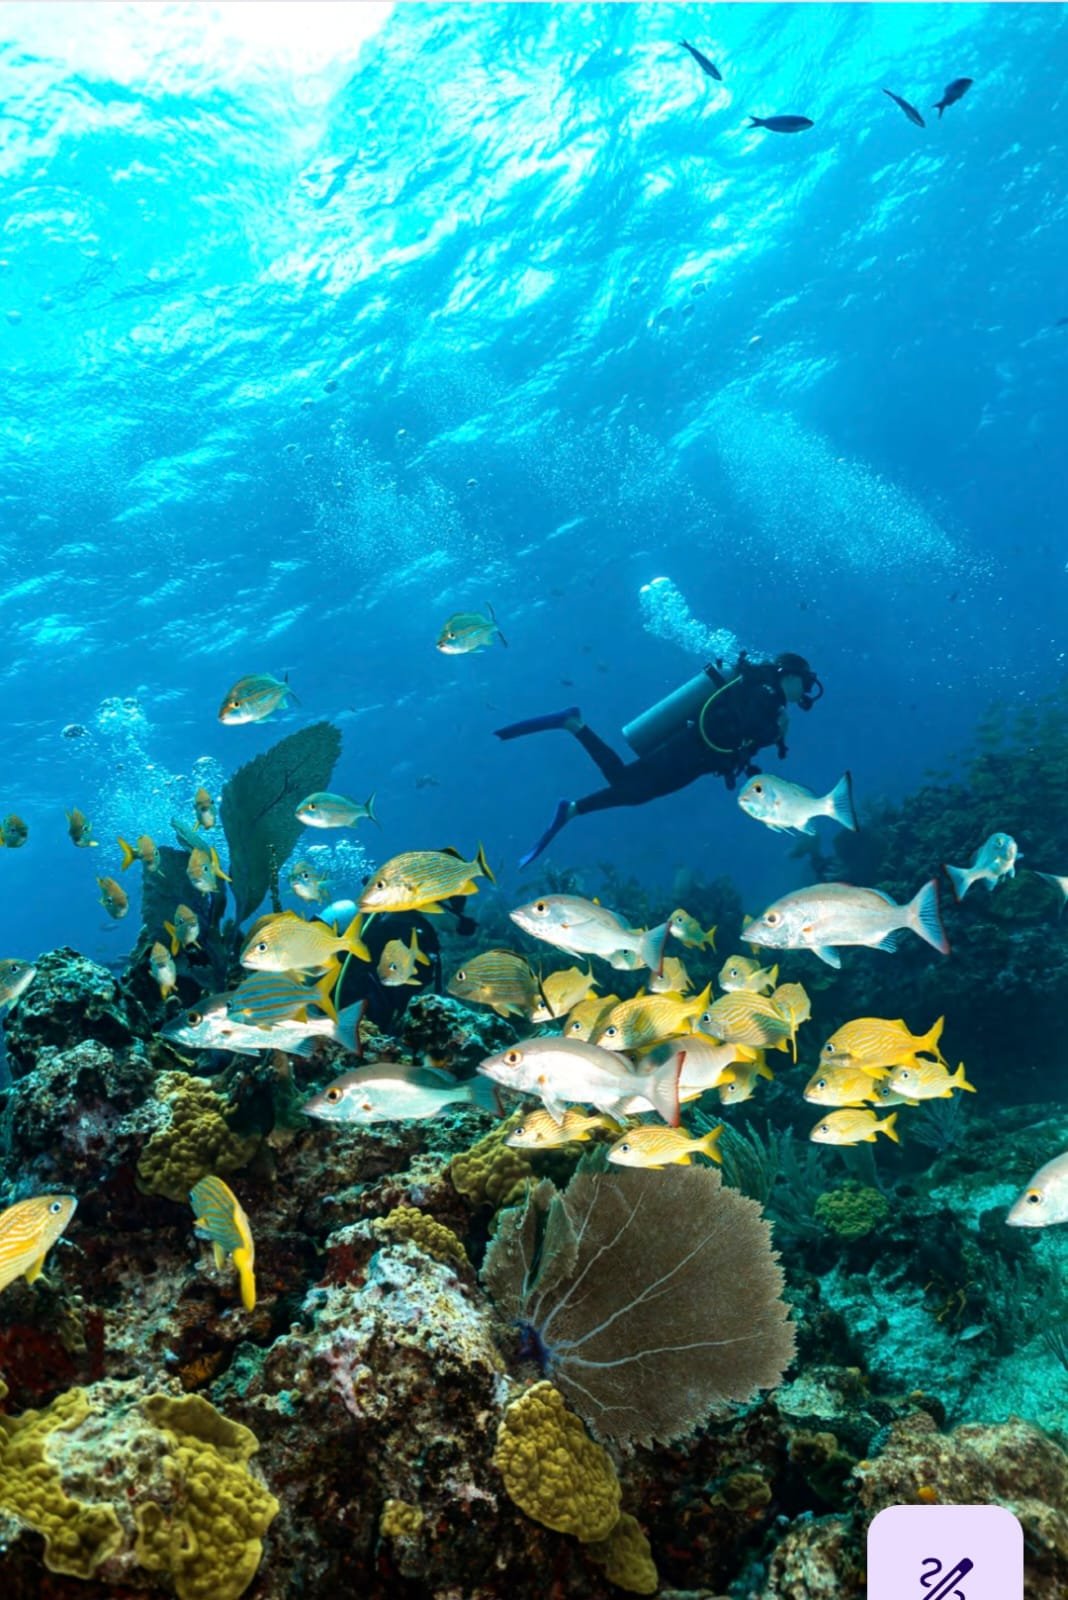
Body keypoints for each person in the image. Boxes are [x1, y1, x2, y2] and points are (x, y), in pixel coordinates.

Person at [495, 651, 823, 866]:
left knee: (636, 792)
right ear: (789, 674)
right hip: (689, 748)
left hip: (699, 759)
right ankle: (573, 725)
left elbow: (743, 738)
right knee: (628, 785)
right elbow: (749, 726)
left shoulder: (767, 695)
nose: (805, 692)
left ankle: (573, 808)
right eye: (805, 683)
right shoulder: (764, 691)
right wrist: (775, 733)